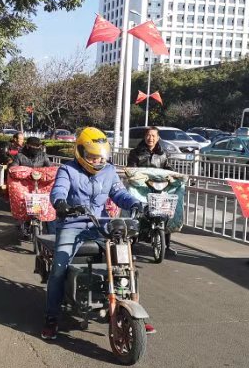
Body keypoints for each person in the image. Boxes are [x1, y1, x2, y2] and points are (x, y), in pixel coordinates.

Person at [43, 128, 144, 340]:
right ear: (80, 152)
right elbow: (59, 190)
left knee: (125, 263)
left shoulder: (109, 171)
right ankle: (52, 318)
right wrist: (61, 203)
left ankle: (131, 309)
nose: (97, 161)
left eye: (101, 156)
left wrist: (134, 202)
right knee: (59, 269)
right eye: (92, 156)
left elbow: (119, 193)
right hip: (72, 224)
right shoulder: (67, 170)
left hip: (101, 224)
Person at [126, 127, 178, 257]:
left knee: (165, 212)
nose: (151, 138)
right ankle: (130, 245)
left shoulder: (163, 154)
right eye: (149, 135)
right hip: (140, 188)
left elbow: (168, 168)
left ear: (158, 138)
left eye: (154, 136)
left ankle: (167, 245)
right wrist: (139, 178)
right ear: (145, 137)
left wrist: (174, 177)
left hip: (158, 188)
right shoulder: (135, 153)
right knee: (136, 214)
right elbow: (131, 169)